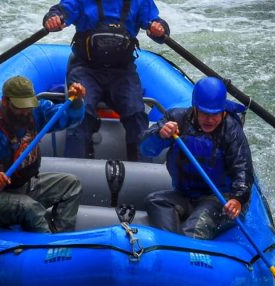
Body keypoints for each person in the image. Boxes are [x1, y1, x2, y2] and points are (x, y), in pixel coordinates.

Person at [42, 0, 170, 161]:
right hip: (86, 68)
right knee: (82, 112)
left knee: (136, 113)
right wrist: (54, 18)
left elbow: (157, 25)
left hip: (122, 71)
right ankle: (74, 171)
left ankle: (142, 167)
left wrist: (159, 28)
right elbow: (61, 11)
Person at [0, 76, 87, 233]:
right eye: (20, 107)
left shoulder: (35, 112)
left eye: (28, 106)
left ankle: (60, 237)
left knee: (71, 185)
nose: (26, 112)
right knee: (30, 208)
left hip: (19, 186)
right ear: (5, 101)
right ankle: (47, 246)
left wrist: (77, 101)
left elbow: (67, 118)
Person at [139, 77, 253, 240]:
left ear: (224, 111)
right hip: (186, 195)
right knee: (155, 201)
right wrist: (159, 134)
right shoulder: (177, 119)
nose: (210, 119)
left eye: (215, 114)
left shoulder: (231, 131)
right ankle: (171, 244)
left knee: (193, 229)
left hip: (220, 198)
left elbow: (243, 169)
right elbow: (146, 149)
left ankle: (183, 250)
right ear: (195, 108)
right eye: (205, 113)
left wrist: (238, 199)